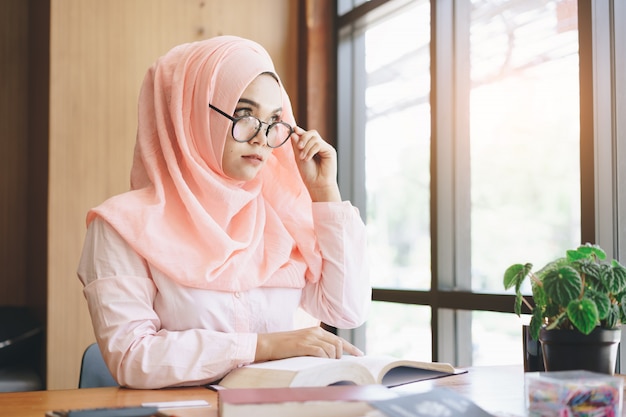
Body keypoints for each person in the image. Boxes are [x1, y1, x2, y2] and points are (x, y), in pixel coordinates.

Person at [77, 36, 371, 389]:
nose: (262, 138)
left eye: (274, 120)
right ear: (190, 114)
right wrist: (262, 347)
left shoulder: (279, 216)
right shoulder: (122, 227)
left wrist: (325, 192)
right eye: (244, 115)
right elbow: (133, 357)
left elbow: (346, 310)